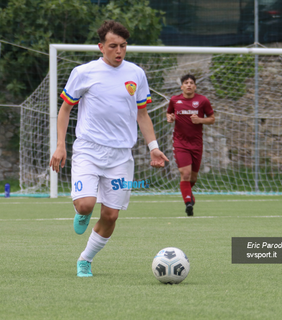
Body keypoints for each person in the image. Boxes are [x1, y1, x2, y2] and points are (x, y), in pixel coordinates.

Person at [49, 20, 169, 277]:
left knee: (111, 215)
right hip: (89, 150)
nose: (119, 51)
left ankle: (85, 259)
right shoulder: (84, 72)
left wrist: (154, 148)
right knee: (85, 205)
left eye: (123, 46)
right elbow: (65, 109)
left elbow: (143, 115)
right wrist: (60, 145)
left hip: (120, 157)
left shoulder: (136, 74)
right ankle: (82, 212)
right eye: (113, 46)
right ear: (101, 47)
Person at [166, 74, 215, 216]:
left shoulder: (202, 100)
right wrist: (169, 118)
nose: (188, 85)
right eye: (186, 83)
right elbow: (169, 113)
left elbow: (212, 119)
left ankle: (188, 194)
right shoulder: (175, 100)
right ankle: (188, 203)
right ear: (181, 86)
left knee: (193, 178)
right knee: (185, 174)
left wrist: (200, 120)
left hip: (196, 144)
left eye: (191, 83)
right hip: (180, 143)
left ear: (195, 86)